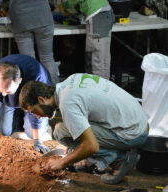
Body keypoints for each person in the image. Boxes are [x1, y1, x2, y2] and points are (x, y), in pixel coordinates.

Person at [19, 73, 149, 184]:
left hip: (133, 133)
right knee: (63, 131)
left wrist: (62, 162)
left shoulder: (68, 103)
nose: (38, 117)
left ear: (41, 99)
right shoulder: (70, 82)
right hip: (138, 121)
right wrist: (75, 146)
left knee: (61, 133)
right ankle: (113, 154)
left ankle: (120, 158)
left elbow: (92, 146)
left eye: (34, 111)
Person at [0, 54, 52, 153]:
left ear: (19, 81)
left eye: (7, 91)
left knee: (32, 134)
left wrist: (37, 141)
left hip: (32, 99)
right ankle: (18, 114)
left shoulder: (37, 77)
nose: (3, 94)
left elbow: (38, 108)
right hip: (11, 100)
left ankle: (25, 115)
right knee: (4, 131)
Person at [0, 0, 59, 86]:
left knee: (28, 60)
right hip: (43, 16)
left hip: (21, 18)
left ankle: (33, 92)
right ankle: (54, 90)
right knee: (47, 58)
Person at [60, 0, 115, 79]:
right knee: (103, 56)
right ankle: (104, 86)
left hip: (97, 16)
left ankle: (95, 88)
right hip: (106, 12)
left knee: (95, 58)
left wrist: (65, 5)